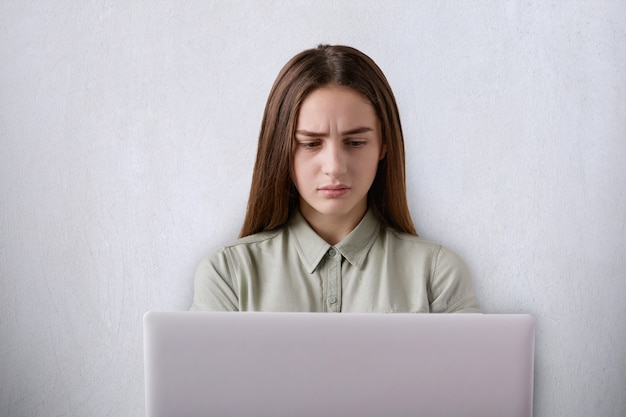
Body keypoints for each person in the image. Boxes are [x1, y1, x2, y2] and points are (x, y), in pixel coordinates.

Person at [190, 44, 480, 313]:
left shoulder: (437, 274)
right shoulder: (227, 273)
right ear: (280, 148)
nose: (334, 167)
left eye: (355, 143)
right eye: (310, 144)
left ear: (384, 145)